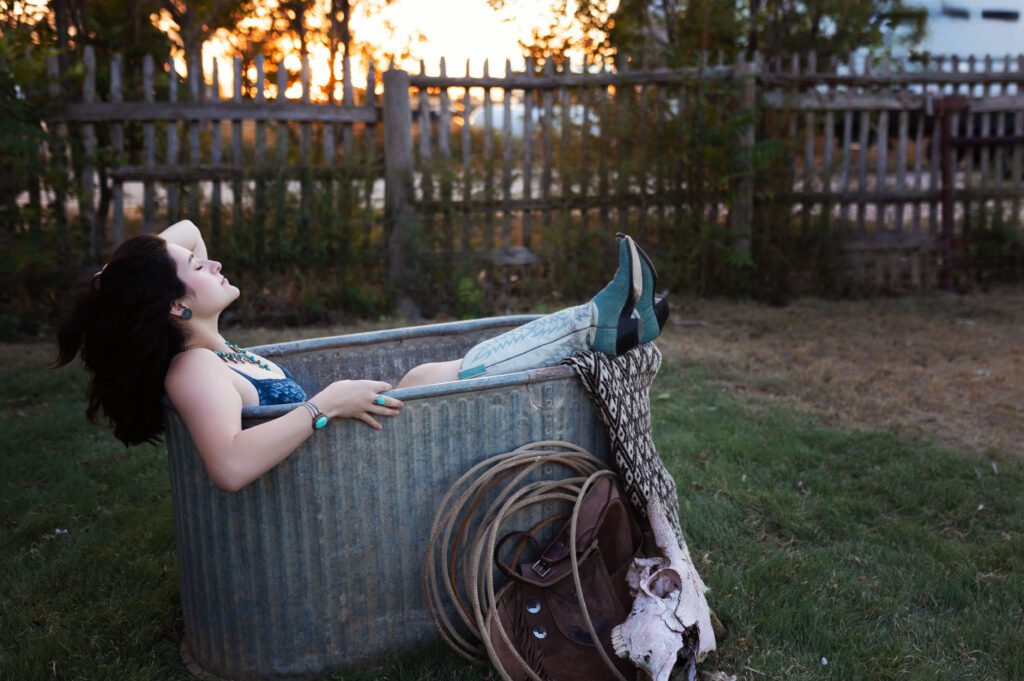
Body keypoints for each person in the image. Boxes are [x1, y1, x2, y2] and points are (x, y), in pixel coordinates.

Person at [57, 220, 668, 492]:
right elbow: (230, 468)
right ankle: (592, 324)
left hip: (344, 457)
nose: (211, 259)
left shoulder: (211, 346)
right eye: (198, 269)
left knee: (427, 374)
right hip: (337, 480)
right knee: (432, 378)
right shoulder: (194, 368)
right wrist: (325, 406)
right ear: (175, 306)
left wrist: (125, 278)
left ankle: (596, 325)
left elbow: (185, 231)